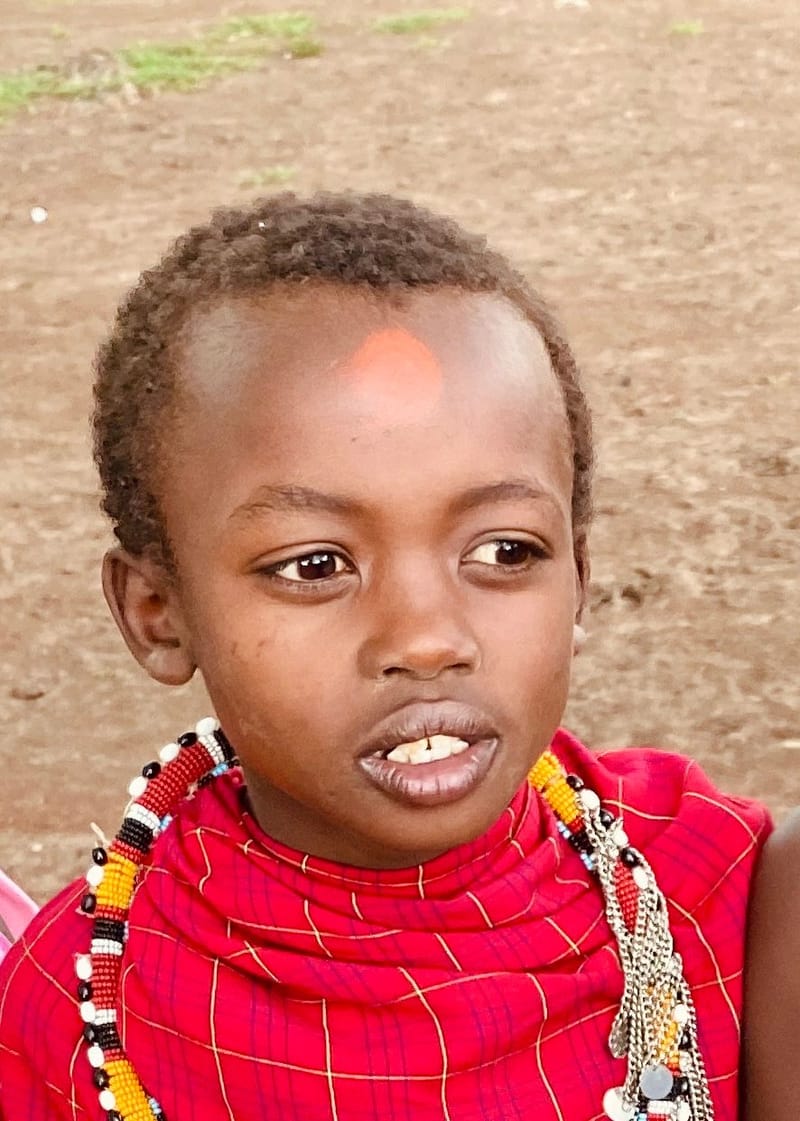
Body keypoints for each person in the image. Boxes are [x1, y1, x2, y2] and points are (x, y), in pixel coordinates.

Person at [0, 193, 793, 1121]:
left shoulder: (730, 901)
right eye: (314, 564)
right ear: (157, 612)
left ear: (578, 578)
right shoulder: (78, 1002)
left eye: (504, 552)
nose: (426, 637)